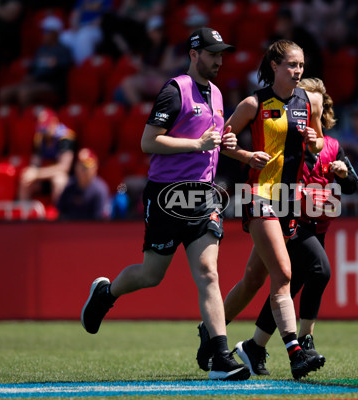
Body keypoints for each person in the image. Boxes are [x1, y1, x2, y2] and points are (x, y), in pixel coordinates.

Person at [80, 27, 251, 381]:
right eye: (212, 53)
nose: (219, 60)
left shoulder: (218, 94)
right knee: (151, 275)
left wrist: (225, 142)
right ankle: (105, 293)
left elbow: (212, 141)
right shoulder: (175, 91)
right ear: (194, 54)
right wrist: (197, 144)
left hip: (203, 194)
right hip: (166, 195)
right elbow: (148, 142)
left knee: (208, 273)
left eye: (221, 54)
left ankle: (220, 356)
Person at [196, 39, 326, 380]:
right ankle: (295, 352)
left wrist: (316, 142)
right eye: (291, 65)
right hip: (258, 194)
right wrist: (245, 155)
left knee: (254, 279)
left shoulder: (308, 102)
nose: (297, 72)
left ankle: (210, 330)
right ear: (274, 66)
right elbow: (223, 141)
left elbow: (321, 141)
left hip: (289, 201)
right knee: (283, 273)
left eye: (301, 66)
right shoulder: (254, 103)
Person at [234, 77, 358, 376]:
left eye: (310, 107)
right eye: (301, 106)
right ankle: (304, 341)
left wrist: (342, 174)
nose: (303, 112)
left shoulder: (332, 146)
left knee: (286, 286)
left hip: (317, 226)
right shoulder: (292, 145)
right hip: (290, 221)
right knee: (319, 271)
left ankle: (255, 345)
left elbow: (353, 185)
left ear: (319, 110)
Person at [0, 15, 72, 107]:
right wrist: (29, 76)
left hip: (52, 85)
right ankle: (10, 119)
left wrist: (41, 75)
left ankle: (27, 119)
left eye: (46, 31)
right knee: (4, 93)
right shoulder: (41, 50)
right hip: (35, 82)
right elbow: (33, 67)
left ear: (55, 33)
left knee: (24, 93)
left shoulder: (63, 50)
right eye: (43, 31)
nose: (43, 34)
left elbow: (62, 67)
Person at [18, 108, 75, 203]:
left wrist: (37, 173)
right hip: (43, 177)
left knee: (59, 181)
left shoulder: (66, 137)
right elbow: (35, 164)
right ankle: (24, 213)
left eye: (46, 126)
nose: (44, 129)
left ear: (54, 122)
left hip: (67, 179)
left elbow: (64, 168)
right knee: (26, 179)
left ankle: (59, 215)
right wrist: (32, 172)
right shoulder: (39, 137)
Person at [57, 148, 110, 220]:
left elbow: (99, 220)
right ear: (76, 167)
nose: (83, 170)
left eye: (86, 167)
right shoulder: (70, 186)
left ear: (95, 168)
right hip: (70, 228)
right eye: (80, 166)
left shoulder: (100, 190)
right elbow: (61, 212)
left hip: (91, 229)